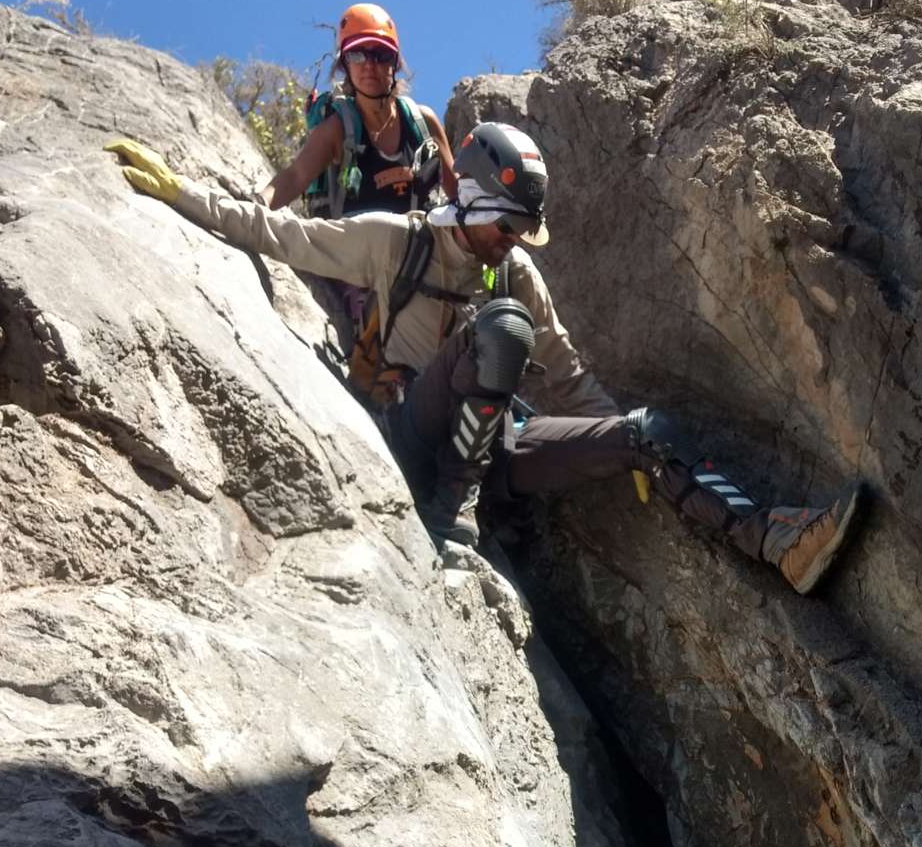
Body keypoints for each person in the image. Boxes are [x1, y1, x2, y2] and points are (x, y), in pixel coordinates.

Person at [104, 125, 866, 595]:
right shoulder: (394, 240)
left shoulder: (513, 270)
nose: (513, 240)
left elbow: (565, 370)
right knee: (498, 329)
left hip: (495, 449)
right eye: (506, 224)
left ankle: (775, 543)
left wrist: (623, 445)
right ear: (468, 199)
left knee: (649, 429)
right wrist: (180, 193)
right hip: (409, 435)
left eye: (522, 228)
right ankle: (449, 516)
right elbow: (282, 236)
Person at [264, 4, 456, 215]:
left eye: (381, 54)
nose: (369, 65)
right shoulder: (338, 130)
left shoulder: (423, 123)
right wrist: (257, 203)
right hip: (352, 236)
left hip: (420, 236)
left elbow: (460, 196)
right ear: (344, 65)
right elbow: (295, 176)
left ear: (395, 63)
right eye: (356, 55)